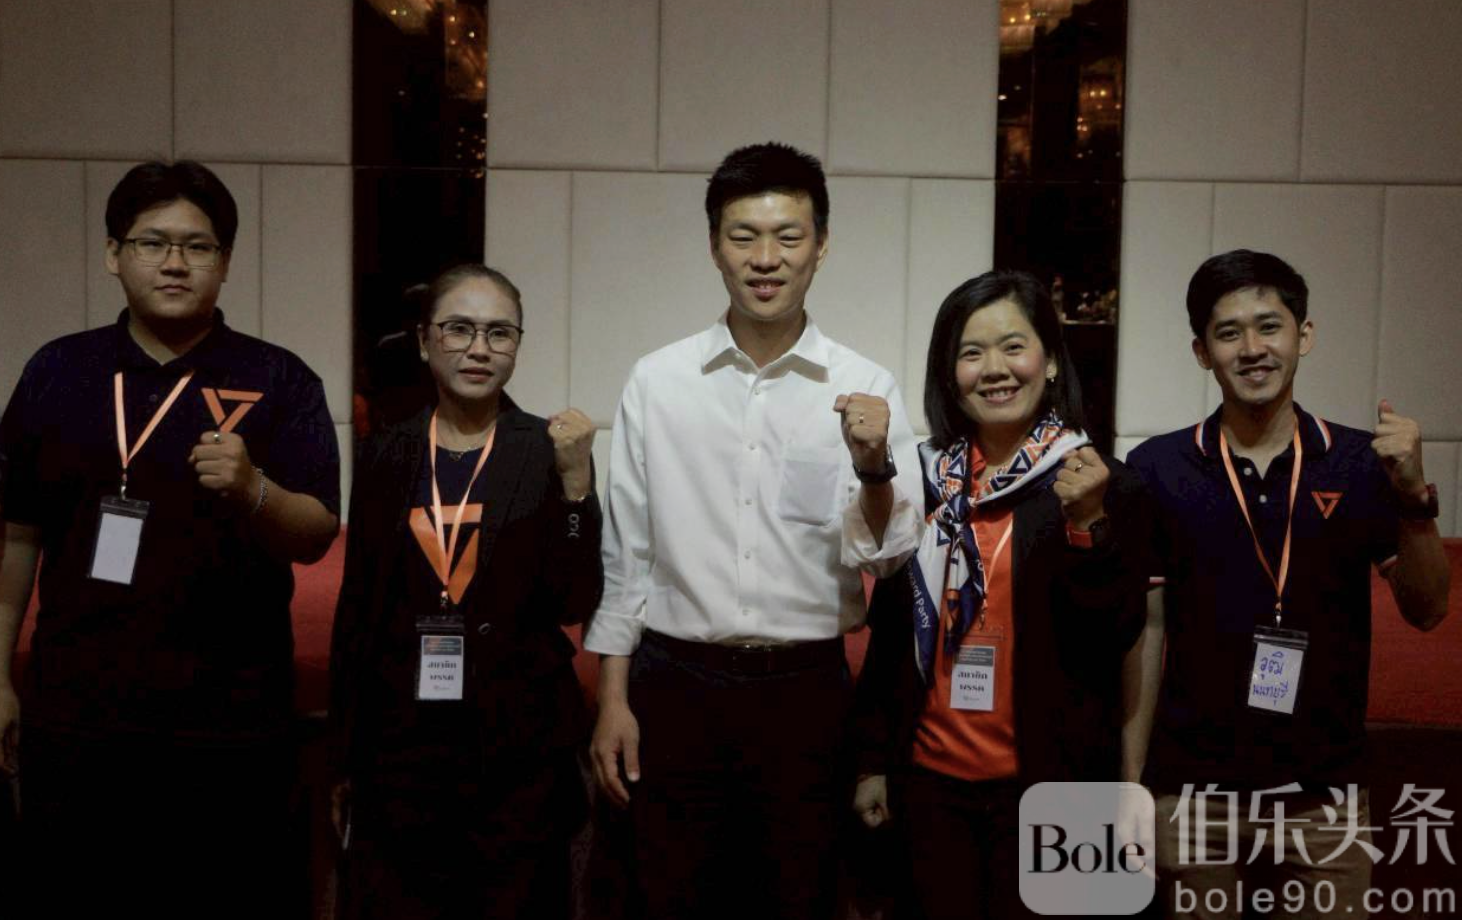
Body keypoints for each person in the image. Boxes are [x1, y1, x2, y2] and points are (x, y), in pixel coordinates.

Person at [583, 141, 922, 920]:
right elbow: (627, 556)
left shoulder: (864, 385)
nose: (766, 259)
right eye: (744, 237)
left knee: (798, 898)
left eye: (788, 237)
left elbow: (887, 554)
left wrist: (874, 466)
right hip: (676, 686)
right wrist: (612, 699)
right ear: (714, 246)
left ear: (821, 245)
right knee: (671, 898)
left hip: (805, 693)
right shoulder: (658, 381)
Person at [0, 160, 341, 918]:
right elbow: (17, 535)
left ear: (226, 261)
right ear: (113, 254)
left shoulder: (279, 378)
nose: (175, 262)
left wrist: (254, 489)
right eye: (152, 242)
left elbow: (317, 532)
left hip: (232, 719)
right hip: (78, 713)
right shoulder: (58, 370)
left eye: (198, 246)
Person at [1122, 250, 1451, 919]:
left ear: (1304, 335)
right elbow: (1146, 631)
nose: (1252, 349)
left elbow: (1427, 610)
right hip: (1193, 793)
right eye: (1228, 332)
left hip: (1325, 797)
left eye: (1269, 326)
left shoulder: (1359, 463)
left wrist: (1414, 497)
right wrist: (1131, 784)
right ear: (1201, 352)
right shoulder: (1157, 467)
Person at [846, 270, 1151, 920]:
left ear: (1050, 360)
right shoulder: (925, 482)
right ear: (949, 372)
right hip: (931, 785)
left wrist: (1088, 526)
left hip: (1061, 789)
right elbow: (891, 638)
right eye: (971, 352)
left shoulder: (1101, 483)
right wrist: (871, 761)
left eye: (1014, 346)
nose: (994, 369)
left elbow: (1115, 638)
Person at [328, 263, 602, 920]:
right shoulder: (388, 452)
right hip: (402, 744)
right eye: (459, 329)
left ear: (517, 347)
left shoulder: (544, 448)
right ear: (425, 342)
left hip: (517, 749)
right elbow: (359, 609)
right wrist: (343, 752)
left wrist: (576, 490)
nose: (479, 348)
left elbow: (574, 599)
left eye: (499, 333)